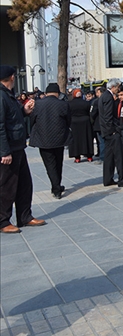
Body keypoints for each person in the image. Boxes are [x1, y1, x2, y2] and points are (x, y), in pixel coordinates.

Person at [0, 66, 45, 233]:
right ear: (12, 77)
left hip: (18, 147)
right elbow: (0, 126)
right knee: (6, 187)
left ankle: (25, 216)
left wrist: (24, 111)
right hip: (9, 149)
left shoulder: (8, 95)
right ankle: (3, 221)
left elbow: (13, 118)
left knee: (24, 184)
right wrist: (4, 151)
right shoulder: (2, 96)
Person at [29, 83, 71, 199]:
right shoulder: (63, 104)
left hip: (43, 139)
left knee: (50, 165)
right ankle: (57, 186)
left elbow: (32, 120)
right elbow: (68, 120)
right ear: (57, 93)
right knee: (58, 163)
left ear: (46, 93)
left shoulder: (38, 104)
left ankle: (56, 187)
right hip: (59, 138)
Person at [100, 78, 123, 187]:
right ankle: (122, 179)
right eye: (118, 87)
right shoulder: (109, 98)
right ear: (113, 87)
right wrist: (113, 131)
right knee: (120, 156)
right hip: (112, 132)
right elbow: (108, 116)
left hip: (106, 132)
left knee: (109, 156)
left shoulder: (103, 96)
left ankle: (108, 178)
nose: (118, 90)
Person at [68, 89, 94, 163]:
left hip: (74, 122)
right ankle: (89, 156)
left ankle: (77, 157)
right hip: (85, 121)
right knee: (87, 138)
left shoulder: (70, 103)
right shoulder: (86, 103)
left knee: (76, 140)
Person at [90, 86, 105, 161]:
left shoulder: (96, 102)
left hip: (98, 124)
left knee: (101, 141)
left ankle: (102, 156)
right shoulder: (108, 99)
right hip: (106, 123)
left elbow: (93, 113)